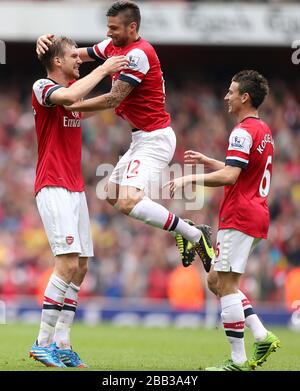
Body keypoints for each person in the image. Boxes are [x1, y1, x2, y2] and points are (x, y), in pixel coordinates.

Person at [36, 0, 214, 273]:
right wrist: (45, 43)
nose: (108, 33)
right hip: (140, 138)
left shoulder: (139, 54)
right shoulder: (113, 47)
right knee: (111, 193)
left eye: (114, 28)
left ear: (132, 27)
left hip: (155, 138)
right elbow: (72, 55)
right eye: (108, 28)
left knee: (130, 199)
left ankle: (193, 233)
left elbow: (112, 99)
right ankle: (186, 230)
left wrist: (70, 104)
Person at [165, 70, 280, 371]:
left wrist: (192, 177)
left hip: (239, 215)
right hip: (255, 213)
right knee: (216, 280)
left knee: (226, 285)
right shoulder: (263, 131)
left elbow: (231, 176)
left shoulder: (241, 132)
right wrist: (209, 162)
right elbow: (241, 171)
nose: (226, 96)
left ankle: (238, 361)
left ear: (245, 97)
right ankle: (261, 334)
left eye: (231, 91)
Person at [30, 36, 128, 368]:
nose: (79, 60)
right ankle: (41, 343)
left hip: (74, 188)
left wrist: (122, 91)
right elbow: (70, 96)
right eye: (73, 56)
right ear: (57, 62)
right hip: (53, 185)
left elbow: (93, 103)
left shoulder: (73, 93)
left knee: (81, 266)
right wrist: (103, 69)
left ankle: (62, 343)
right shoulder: (43, 87)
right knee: (67, 264)